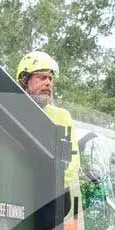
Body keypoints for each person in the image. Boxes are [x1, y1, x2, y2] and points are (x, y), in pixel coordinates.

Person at [15, 50, 79, 193]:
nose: (48, 83)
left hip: (49, 199)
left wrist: (50, 186)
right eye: (42, 77)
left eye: (50, 79)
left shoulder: (62, 117)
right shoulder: (11, 112)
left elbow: (71, 163)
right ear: (25, 81)